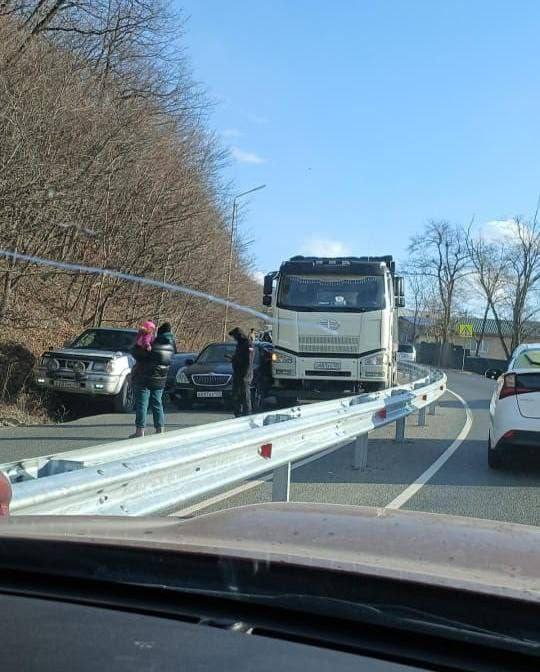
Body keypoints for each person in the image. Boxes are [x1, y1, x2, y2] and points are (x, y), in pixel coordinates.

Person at [130, 321, 176, 438]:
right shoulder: (171, 346)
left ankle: (140, 431)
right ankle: (160, 428)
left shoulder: (152, 344)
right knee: (157, 403)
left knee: (142, 403)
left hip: (144, 377)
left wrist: (140, 336)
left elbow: (136, 352)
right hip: (160, 379)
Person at [228, 326, 253, 417]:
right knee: (236, 393)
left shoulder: (247, 344)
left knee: (245, 394)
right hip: (237, 372)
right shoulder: (239, 344)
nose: (234, 338)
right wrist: (233, 358)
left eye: (235, 336)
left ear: (239, 335)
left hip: (245, 374)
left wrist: (246, 374)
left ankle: (247, 413)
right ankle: (237, 412)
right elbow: (239, 357)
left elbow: (249, 360)